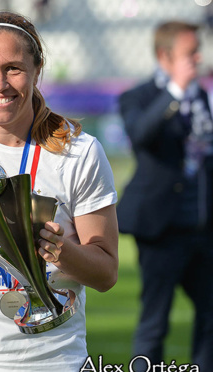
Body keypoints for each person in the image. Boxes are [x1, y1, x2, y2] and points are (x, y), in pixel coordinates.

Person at [0, 11, 120, 372]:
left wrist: (58, 250)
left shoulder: (79, 151)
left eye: (14, 68)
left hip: (55, 360)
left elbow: (106, 273)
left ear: (38, 70)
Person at [117, 20, 213, 371]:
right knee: (155, 320)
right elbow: (141, 135)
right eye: (190, 53)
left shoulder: (201, 95)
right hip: (162, 228)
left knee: (210, 314)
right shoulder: (138, 96)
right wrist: (175, 90)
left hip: (202, 225)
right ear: (164, 55)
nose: (198, 59)